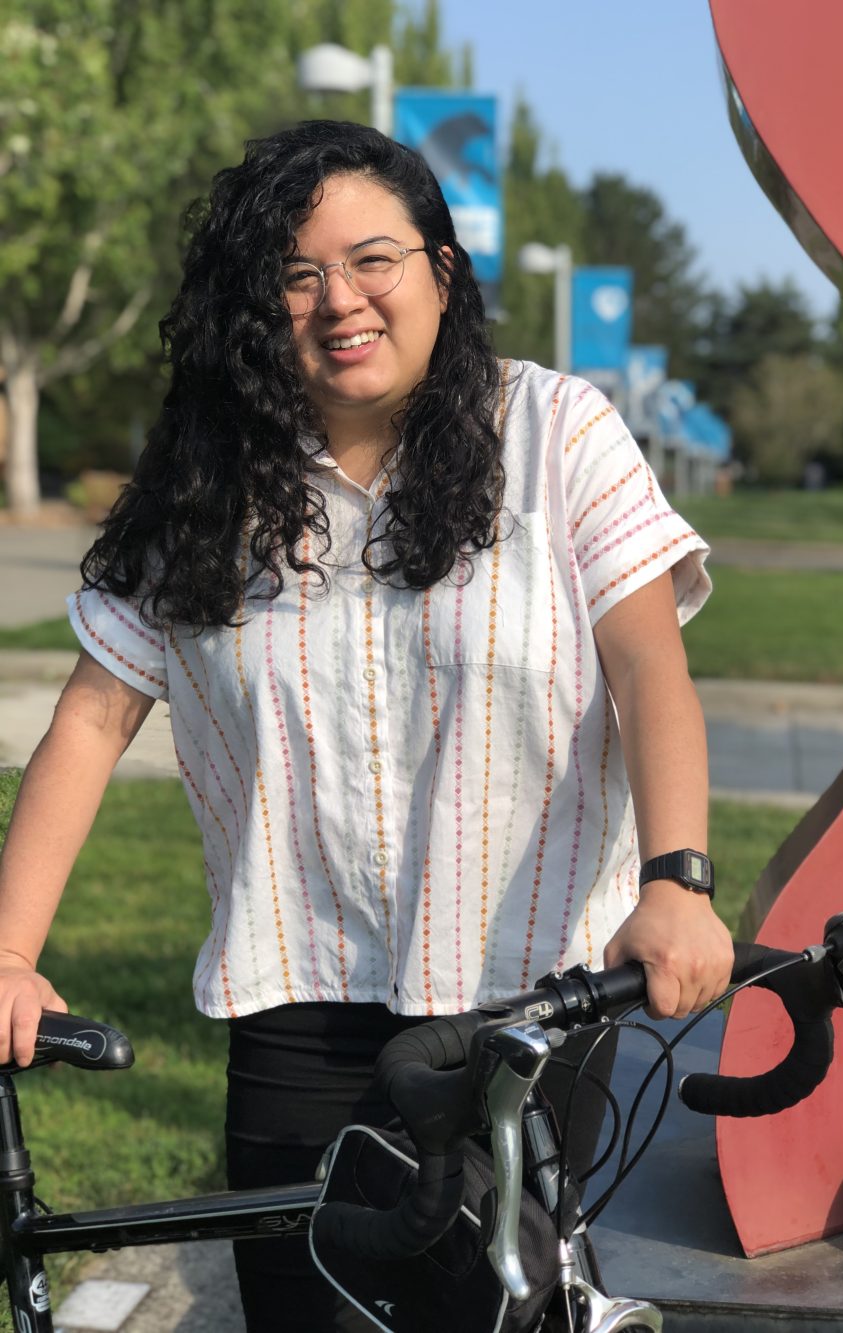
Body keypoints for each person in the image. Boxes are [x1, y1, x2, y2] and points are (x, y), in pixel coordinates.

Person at [0, 120, 733, 1329]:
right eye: (296, 274)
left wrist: (678, 879)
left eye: (373, 259)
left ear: (441, 271)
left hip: (527, 1009)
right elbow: (87, 722)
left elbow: (650, 667)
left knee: (492, 1315)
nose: (339, 300)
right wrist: (12, 954)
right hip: (295, 1005)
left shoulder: (558, 434)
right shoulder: (205, 482)